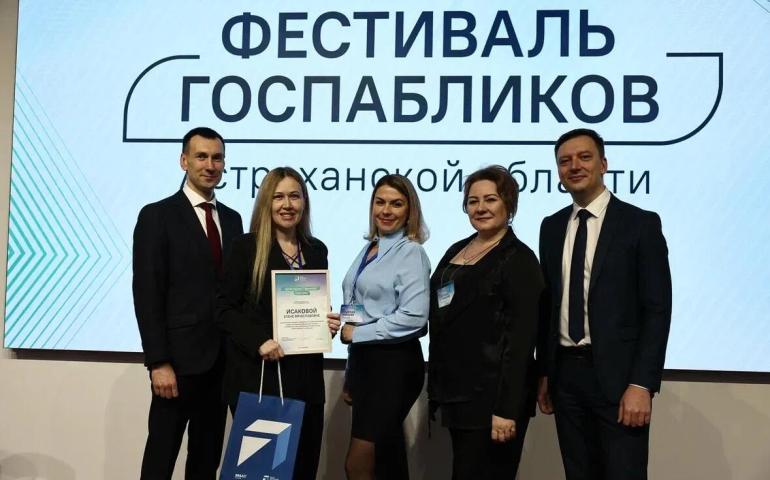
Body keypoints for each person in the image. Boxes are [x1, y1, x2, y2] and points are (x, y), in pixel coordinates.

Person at [537, 128, 672, 480]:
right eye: (564, 161)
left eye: (584, 157)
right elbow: (549, 306)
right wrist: (545, 372)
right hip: (566, 378)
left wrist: (642, 384)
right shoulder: (551, 227)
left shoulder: (640, 224)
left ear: (603, 164)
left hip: (620, 380)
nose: (574, 166)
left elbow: (657, 310)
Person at [133, 127, 243, 480]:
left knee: (206, 460)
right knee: (161, 458)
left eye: (217, 158)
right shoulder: (157, 215)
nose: (210, 165)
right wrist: (158, 362)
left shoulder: (233, 219)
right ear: (184, 161)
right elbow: (147, 293)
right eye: (201, 156)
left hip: (222, 365)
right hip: (177, 365)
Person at [427, 166, 543, 479]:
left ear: (509, 203)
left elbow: (521, 342)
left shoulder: (519, 260)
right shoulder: (457, 249)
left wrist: (506, 410)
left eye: (490, 199)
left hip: (493, 401)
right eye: (473, 201)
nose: (480, 208)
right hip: (458, 396)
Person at [216, 167, 329, 480]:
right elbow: (223, 309)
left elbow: (313, 304)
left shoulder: (316, 250)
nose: (287, 205)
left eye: (294, 196)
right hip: (260, 378)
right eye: (278, 197)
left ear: (304, 202)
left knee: (303, 469)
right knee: (263, 473)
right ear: (267, 203)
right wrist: (258, 341)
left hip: (307, 379)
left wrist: (326, 321)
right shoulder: (245, 247)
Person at [328, 174, 430, 480]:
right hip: (366, 364)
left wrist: (356, 334)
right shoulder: (371, 248)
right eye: (380, 202)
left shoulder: (410, 252)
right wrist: (352, 370)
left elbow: (414, 317)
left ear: (409, 211)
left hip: (393, 366)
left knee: (358, 464)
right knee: (386, 460)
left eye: (396, 204)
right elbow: (360, 309)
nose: (386, 210)